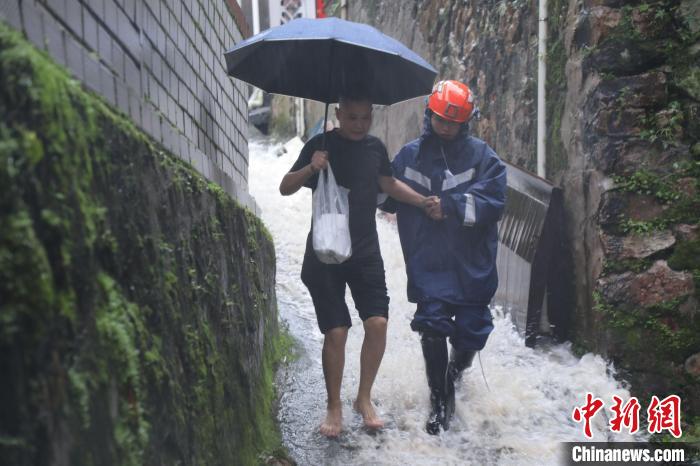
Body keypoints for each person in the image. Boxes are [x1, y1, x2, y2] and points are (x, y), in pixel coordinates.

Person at [279, 94, 436, 437]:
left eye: (366, 118)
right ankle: (333, 404)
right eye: (352, 118)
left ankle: (363, 398)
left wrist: (422, 201)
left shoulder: (375, 148)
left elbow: (388, 184)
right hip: (326, 252)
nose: (360, 124)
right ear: (337, 114)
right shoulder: (320, 144)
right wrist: (311, 166)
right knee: (336, 331)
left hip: (365, 251)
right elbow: (284, 187)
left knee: (378, 323)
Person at [383, 80, 507, 435]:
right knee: (432, 325)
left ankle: (454, 372)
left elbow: (495, 200)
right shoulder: (409, 157)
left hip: (471, 264)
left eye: (453, 122)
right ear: (429, 115)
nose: (446, 127)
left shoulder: (484, 158)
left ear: (466, 122)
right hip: (429, 260)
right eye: (440, 120)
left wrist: (450, 207)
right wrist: (364, 180)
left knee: (471, 332)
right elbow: (386, 196)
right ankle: (440, 401)